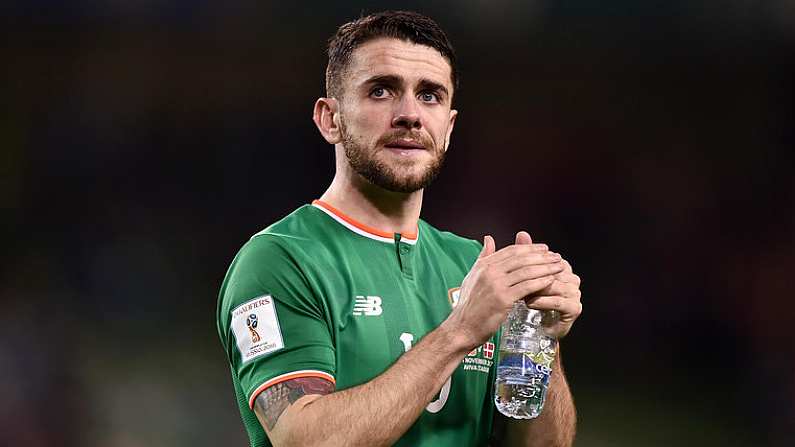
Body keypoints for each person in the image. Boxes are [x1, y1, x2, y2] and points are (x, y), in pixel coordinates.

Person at [217, 10, 582, 447]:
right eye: (381, 91)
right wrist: (459, 332)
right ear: (330, 119)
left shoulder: (473, 267)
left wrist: (538, 339)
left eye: (429, 95)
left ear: (447, 128)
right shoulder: (281, 260)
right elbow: (306, 441)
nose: (409, 113)